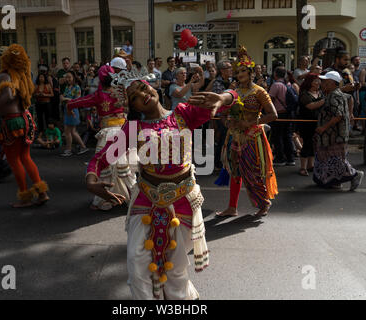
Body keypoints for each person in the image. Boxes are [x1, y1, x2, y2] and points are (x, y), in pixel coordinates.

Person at [86, 78, 238, 299]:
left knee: (176, 268)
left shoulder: (183, 113)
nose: (143, 95)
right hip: (146, 199)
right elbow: (100, 158)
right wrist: (91, 179)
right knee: (136, 264)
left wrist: (224, 98)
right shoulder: (133, 128)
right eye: (135, 97)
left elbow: (233, 96)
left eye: (143, 88)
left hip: (183, 199)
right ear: (133, 107)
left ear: (152, 86)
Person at [216, 46, 278, 218]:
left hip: (252, 136)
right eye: (237, 70)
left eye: (243, 70)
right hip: (234, 136)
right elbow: (224, 112)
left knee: (252, 171)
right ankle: (232, 207)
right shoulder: (233, 92)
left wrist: (250, 122)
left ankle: (264, 202)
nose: (239, 73)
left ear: (251, 72)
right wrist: (227, 121)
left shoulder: (259, 91)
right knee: (235, 171)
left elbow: (273, 115)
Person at [67, 65, 137, 211]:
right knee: (125, 167)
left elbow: (79, 102)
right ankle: (134, 198)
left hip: (109, 133)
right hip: (124, 131)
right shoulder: (121, 90)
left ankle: (105, 199)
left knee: (104, 167)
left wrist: (69, 106)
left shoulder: (99, 95)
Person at [0, 44, 49, 208]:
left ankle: (25, 197)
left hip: (12, 120)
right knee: (25, 157)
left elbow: (7, 97)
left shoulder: (4, 75)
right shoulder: (22, 74)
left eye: (0, 56)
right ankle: (42, 192)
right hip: (25, 117)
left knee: (14, 160)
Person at [313, 71, 364, 190]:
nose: (322, 83)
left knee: (336, 159)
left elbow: (338, 115)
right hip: (337, 133)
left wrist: (323, 127)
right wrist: (350, 114)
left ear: (332, 83)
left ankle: (355, 175)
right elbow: (350, 98)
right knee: (330, 158)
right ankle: (334, 181)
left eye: (325, 81)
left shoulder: (334, 95)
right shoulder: (336, 93)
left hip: (334, 134)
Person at [297, 73, 325, 176]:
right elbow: (311, 106)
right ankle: (303, 167)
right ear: (310, 82)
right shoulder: (304, 94)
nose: (318, 82)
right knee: (307, 144)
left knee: (314, 144)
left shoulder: (320, 92)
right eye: (315, 80)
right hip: (306, 123)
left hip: (318, 122)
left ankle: (310, 165)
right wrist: (325, 100)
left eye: (319, 80)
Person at [269, 66, 295, 166]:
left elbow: (269, 100)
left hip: (279, 113)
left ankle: (280, 158)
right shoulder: (288, 84)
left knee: (277, 136)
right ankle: (290, 158)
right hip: (288, 113)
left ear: (275, 74)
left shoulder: (276, 85)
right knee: (287, 136)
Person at [60, 71, 88, 157]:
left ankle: (69, 149)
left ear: (73, 78)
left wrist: (66, 99)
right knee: (71, 131)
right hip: (67, 109)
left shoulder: (77, 87)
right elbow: (62, 97)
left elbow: (76, 99)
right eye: (67, 77)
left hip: (73, 110)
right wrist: (66, 99)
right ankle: (81, 147)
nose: (68, 79)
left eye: (69, 77)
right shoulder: (67, 87)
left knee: (69, 131)